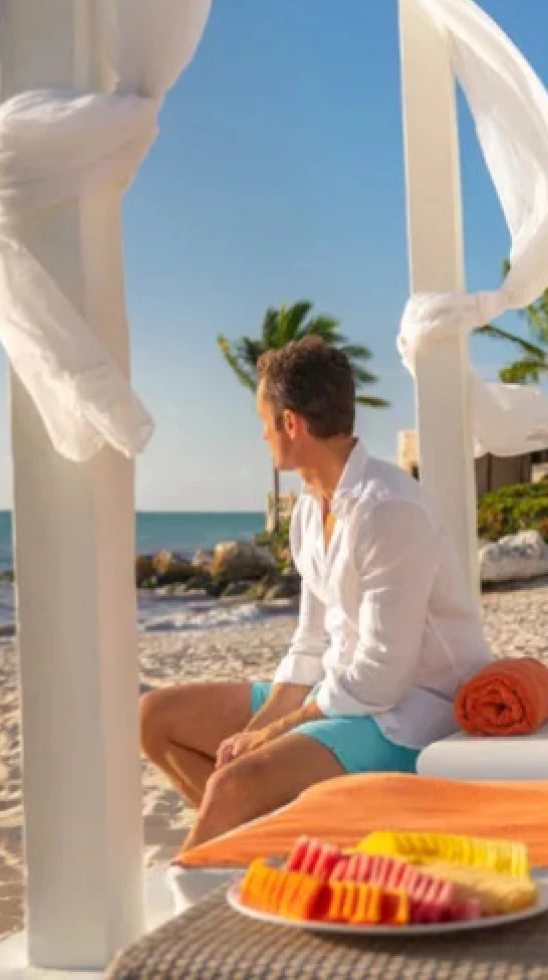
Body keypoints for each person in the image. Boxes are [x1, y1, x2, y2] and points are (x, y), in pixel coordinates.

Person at [138, 337, 492, 849]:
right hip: (342, 692)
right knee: (155, 718)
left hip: (410, 714)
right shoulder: (308, 510)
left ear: (291, 424)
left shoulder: (388, 509)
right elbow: (310, 645)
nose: (261, 434)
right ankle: (264, 850)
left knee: (233, 784)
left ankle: (210, 891)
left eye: (264, 421)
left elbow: (382, 678)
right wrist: (256, 731)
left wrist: (271, 736)